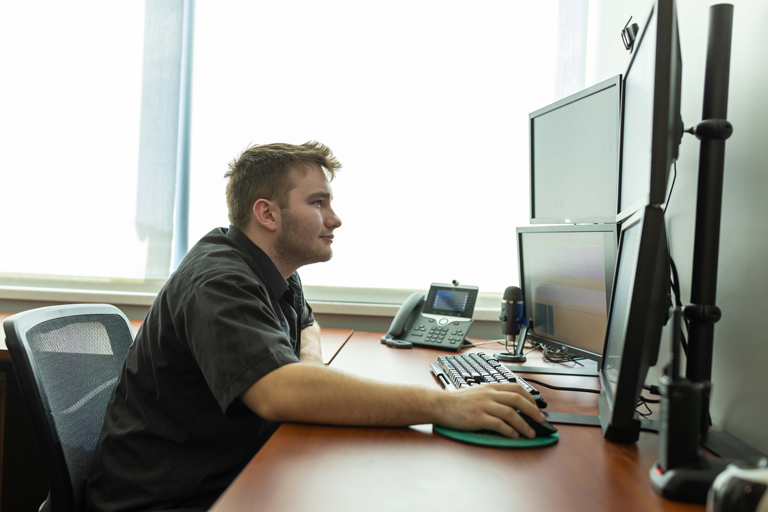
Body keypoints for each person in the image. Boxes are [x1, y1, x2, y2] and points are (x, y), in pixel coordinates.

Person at [85, 141, 545, 511]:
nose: (335, 218)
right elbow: (277, 392)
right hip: (169, 500)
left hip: (223, 475)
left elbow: (307, 328)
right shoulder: (219, 280)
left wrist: (308, 374)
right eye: (318, 202)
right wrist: (446, 407)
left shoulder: (274, 269)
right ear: (267, 214)